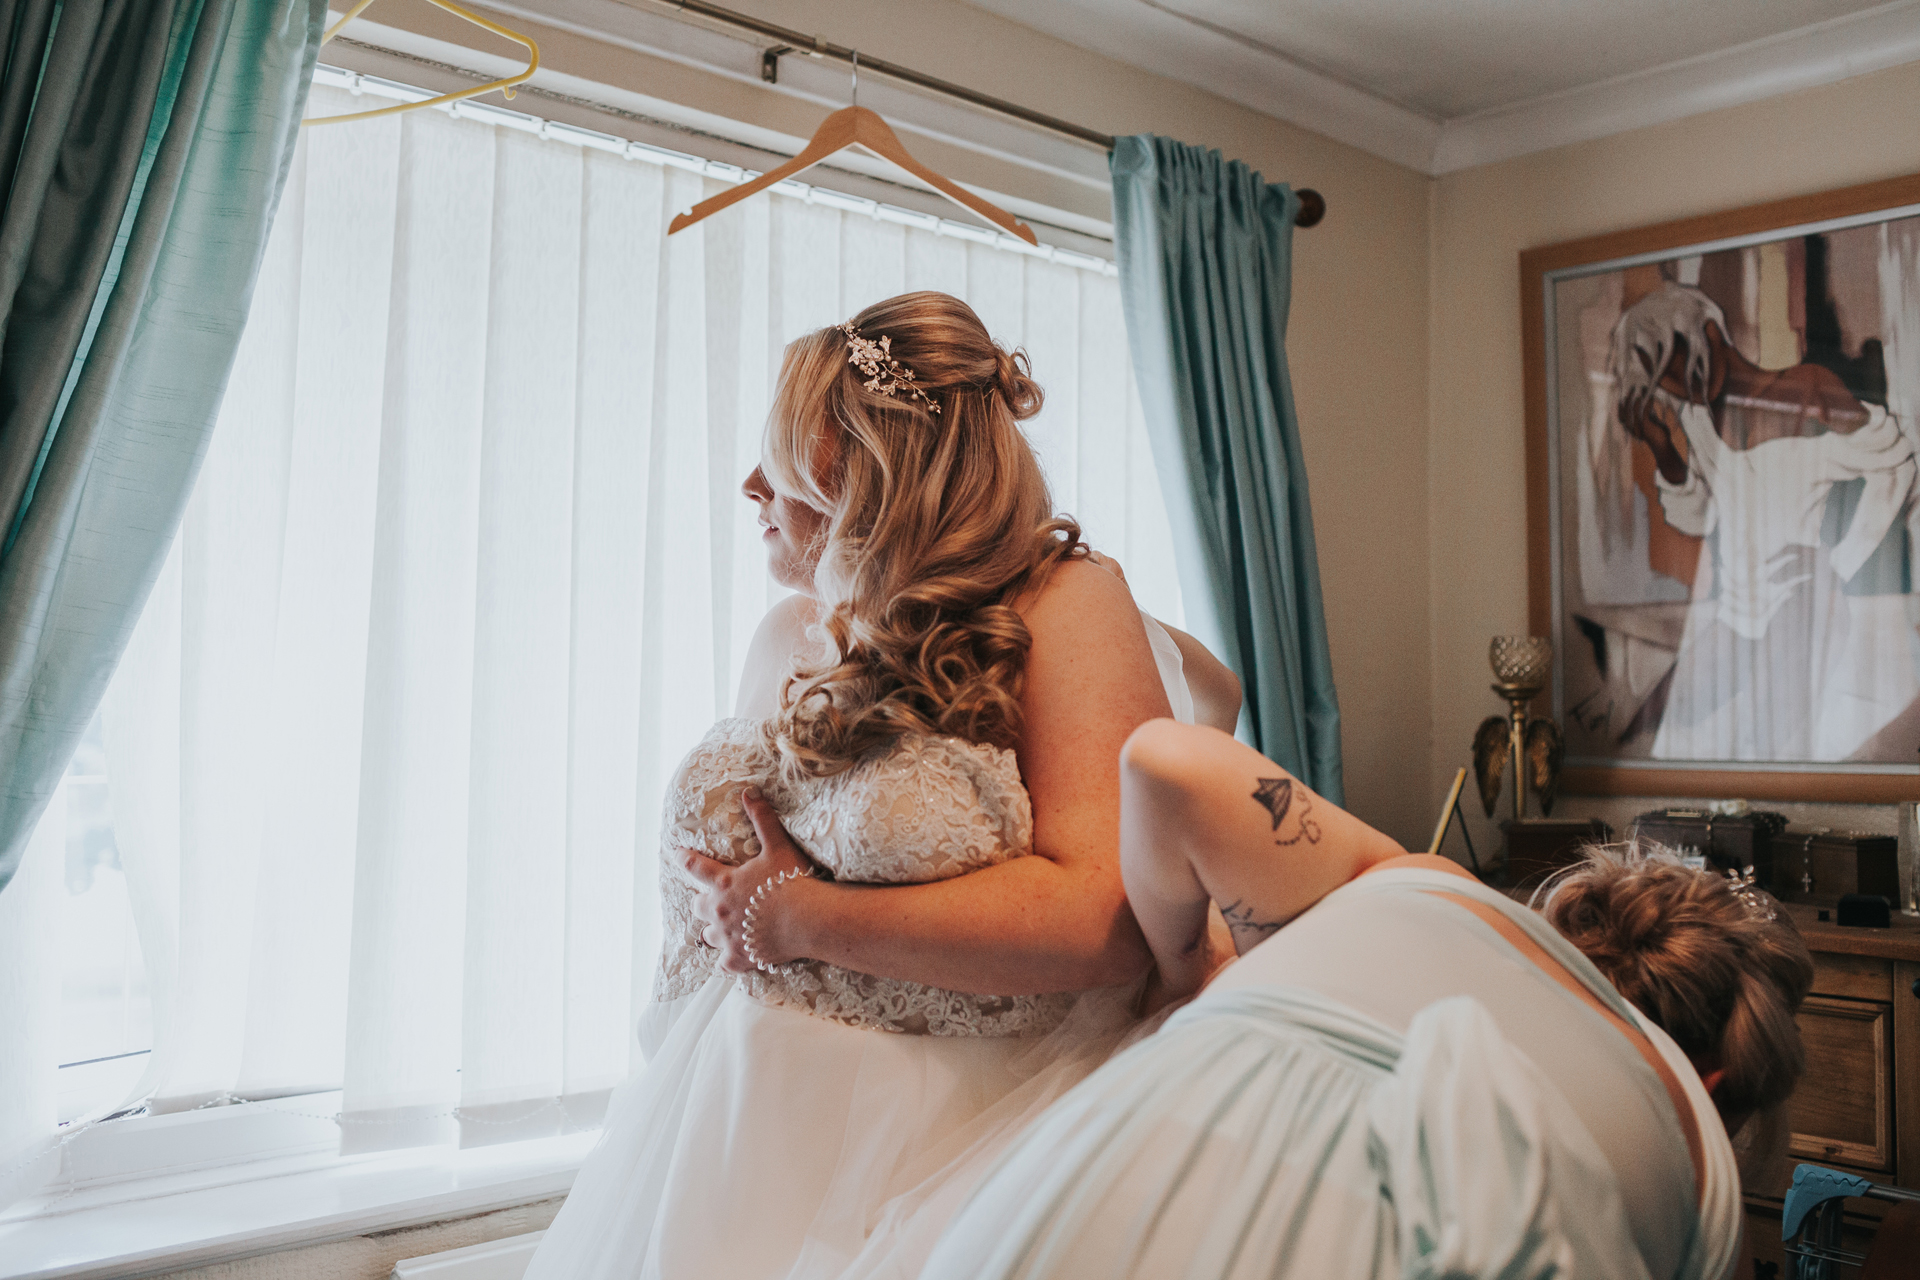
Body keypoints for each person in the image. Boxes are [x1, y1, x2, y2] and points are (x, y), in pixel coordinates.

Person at [522, 292, 1192, 1280]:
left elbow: (1107, 913)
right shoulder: (785, 633)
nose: (751, 483)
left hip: (965, 1128)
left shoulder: (1066, 601)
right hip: (738, 1116)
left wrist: (802, 921)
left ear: (874, 473)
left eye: (786, 457)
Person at [923, 719, 1812, 1280]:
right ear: (1715, 1076)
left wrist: (1191, 979)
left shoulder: (1430, 889)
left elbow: (1165, 759)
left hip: (1071, 1195)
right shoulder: (1699, 1171)